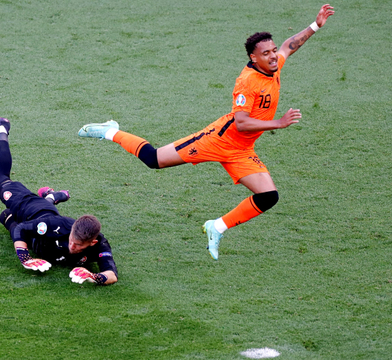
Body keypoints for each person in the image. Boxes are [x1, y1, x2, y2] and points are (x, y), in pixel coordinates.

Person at [77, 5, 334, 260]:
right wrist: (278, 123)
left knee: (268, 196)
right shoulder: (247, 83)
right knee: (154, 160)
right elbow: (242, 122)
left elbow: (289, 45)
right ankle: (111, 132)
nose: (273, 56)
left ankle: (217, 226)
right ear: (254, 58)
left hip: (242, 149)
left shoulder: (274, 66)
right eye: (266, 53)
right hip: (218, 139)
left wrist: (315, 25)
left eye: (272, 51)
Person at [0, 112, 118, 285]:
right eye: (72, 241)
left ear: (93, 242)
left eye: (78, 245)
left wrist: (94, 276)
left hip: (38, 240)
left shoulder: (100, 244)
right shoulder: (56, 227)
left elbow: (111, 275)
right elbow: (20, 230)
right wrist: (25, 258)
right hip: (32, 211)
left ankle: (51, 197)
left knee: (5, 217)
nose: (72, 246)